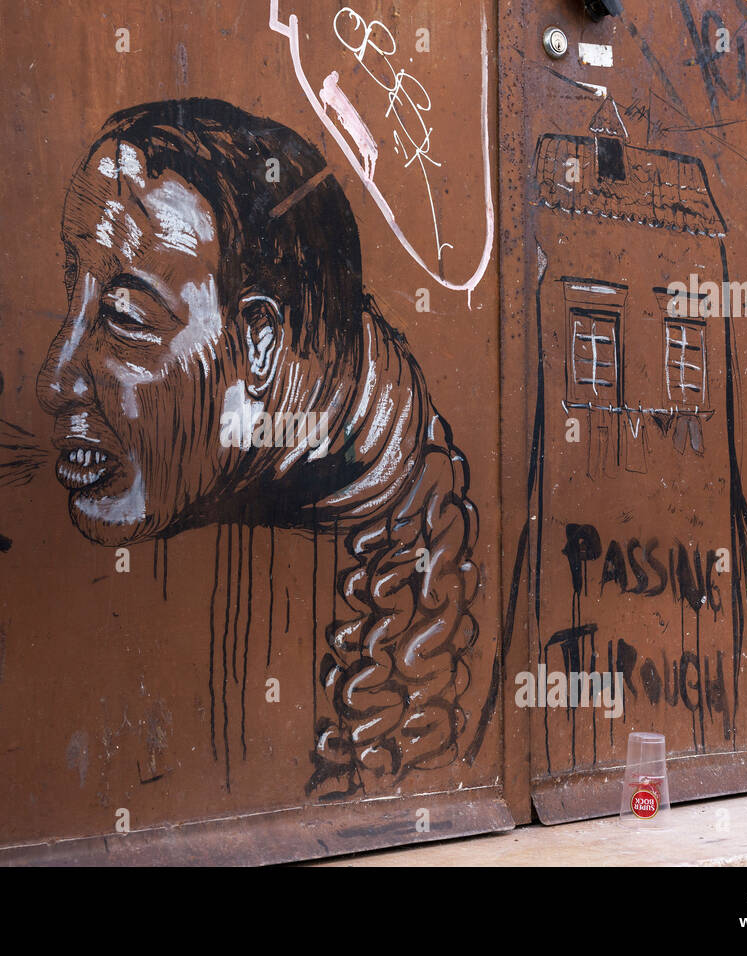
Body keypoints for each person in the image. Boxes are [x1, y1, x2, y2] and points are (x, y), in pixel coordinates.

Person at [36, 98, 484, 797]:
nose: (56, 378)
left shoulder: (387, 547)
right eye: (74, 286)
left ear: (262, 343)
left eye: (123, 315)